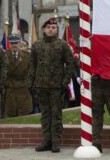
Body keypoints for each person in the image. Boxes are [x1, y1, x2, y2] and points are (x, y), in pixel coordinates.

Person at [29, 17, 74, 153]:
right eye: (48, 27)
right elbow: (32, 65)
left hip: (56, 87)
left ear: (56, 30)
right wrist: (30, 83)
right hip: (41, 86)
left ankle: (56, 142)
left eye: (53, 28)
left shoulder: (62, 45)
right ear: (44, 29)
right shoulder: (37, 45)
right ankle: (46, 140)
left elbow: (70, 64)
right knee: (45, 115)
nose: (50, 29)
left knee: (56, 115)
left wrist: (65, 82)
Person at [4, 35, 32, 117]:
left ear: (19, 43)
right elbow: (2, 71)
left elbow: (30, 71)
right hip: (10, 87)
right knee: (11, 113)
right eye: (12, 43)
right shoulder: (4, 55)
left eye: (16, 43)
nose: (14, 45)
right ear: (10, 44)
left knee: (24, 113)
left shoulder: (27, 56)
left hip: (23, 87)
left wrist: (27, 83)